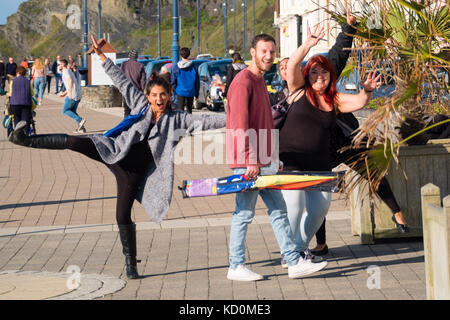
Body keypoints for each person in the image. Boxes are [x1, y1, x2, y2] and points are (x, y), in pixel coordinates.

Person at [8, 35, 227, 280]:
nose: (158, 100)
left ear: (169, 96)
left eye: (162, 95)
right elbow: (121, 81)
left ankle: (131, 264)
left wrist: (236, 117)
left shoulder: (177, 119)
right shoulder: (140, 104)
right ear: (148, 95)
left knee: (122, 215)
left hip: (132, 173)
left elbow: (206, 120)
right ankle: (25, 139)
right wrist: (101, 56)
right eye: (154, 95)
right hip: (113, 152)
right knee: (73, 142)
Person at [278, 20, 382, 266]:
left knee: (319, 211)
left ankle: (300, 249)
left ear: (329, 75)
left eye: (323, 72)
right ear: (307, 75)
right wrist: (309, 44)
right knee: (294, 207)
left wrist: (366, 90)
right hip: (292, 162)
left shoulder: (333, 99)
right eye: (314, 72)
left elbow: (358, 102)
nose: (319, 76)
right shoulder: (297, 90)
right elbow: (292, 64)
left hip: (320, 165)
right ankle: (290, 255)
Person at [225, 33, 327, 282]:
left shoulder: (260, 81)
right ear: (252, 52)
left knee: (279, 211)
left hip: (262, 161)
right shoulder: (243, 82)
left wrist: (272, 156)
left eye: (272, 52)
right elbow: (239, 124)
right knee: (244, 213)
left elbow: (265, 123)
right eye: (264, 51)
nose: (268, 56)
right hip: (247, 163)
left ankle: (292, 262)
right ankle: (235, 265)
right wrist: (250, 160)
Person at [59, 59, 86, 133]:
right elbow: (71, 83)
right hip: (77, 94)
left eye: (59, 64)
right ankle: (81, 129)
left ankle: (80, 120)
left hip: (73, 95)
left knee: (65, 110)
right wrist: (65, 93)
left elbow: (70, 80)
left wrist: (69, 92)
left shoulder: (65, 72)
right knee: (73, 111)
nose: (59, 66)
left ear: (62, 65)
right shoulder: (69, 70)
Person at [171, 47, 199, 113]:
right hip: (191, 91)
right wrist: (196, 94)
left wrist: (174, 89)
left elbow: (173, 80)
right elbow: (197, 82)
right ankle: (189, 123)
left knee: (180, 111)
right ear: (189, 54)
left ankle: (181, 123)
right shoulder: (194, 67)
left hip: (180, 91)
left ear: (180, 55)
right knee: (189, 111)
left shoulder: (176, 67)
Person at [120, 49, 147, 118]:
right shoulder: (140, 66)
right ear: (136, 57)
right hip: (136, 92)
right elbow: (143, 81)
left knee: (126, 110)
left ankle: (125, 126)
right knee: (136, 110)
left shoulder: (124, 64)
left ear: (129, 56)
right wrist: (143, 90)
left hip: (126, 90)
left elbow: (120, 76)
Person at [7, 66, 34, 134]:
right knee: (25, 120)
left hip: (15, 104)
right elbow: (32, 93)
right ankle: (26, 135)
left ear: (17, 72)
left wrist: (8, 94)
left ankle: (18, 134)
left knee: (16, 118)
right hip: (26, 103)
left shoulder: (12, 82)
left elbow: (11, 93)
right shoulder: (28, 82)